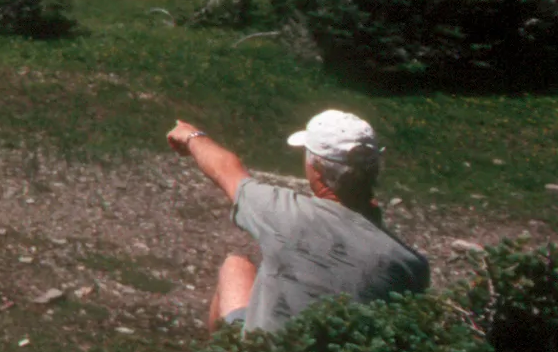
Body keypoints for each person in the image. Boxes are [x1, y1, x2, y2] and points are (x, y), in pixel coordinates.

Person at [166, 108, 429, 333]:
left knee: (235, 267)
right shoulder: (409, 265)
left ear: (316, 168)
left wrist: (191, 136)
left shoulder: (284, 215)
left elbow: (226, 170)